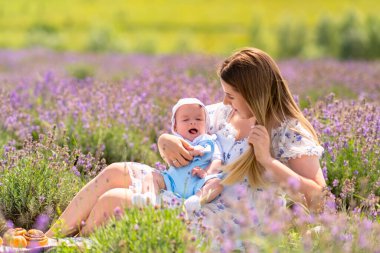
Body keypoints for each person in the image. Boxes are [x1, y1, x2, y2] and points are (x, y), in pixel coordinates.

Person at [46, 47, 326, 238]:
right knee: (114, 172)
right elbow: (185, 129)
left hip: (221, 220)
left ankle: (71, 248)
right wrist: (164, 140)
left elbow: (317, 198)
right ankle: (47, 239)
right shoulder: (224, 114)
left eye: (231, 94)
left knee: (113, 201)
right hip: (189, 191)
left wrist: (268, 161)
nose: (225, 101)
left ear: (255, 93)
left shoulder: (290, 131)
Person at [134, 98, 224, 212]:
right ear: (175, 127)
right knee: (151, 176)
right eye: (186, 120)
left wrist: (207, 173)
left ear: (206, 125)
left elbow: (217, 161)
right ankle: (148, 196)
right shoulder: (176, 141)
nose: (193, 122)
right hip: (172, 181)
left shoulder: (209, 141)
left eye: (199, 119)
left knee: (217, 184)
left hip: (198, 183)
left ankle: (195, 201)